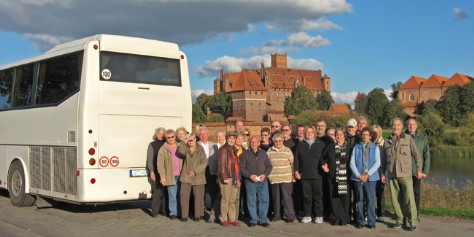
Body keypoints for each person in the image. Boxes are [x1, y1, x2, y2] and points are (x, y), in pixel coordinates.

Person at [384, 117, 422, 231]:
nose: (395, 127)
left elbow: (417, 156)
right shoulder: (387, 141)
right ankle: (399, 220)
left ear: (401, 127)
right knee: (395, 200)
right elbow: (383, 160)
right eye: (394, 125)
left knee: (409, 199)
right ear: (392, 127)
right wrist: (382, 173)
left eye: (398, 125)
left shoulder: (408, 139)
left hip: (405, 174)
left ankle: (412, 221)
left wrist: (419, 170)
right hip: (392, 174)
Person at [294, 125, 328, 224]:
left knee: (318, 197)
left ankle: (318, 215)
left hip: (318, 175)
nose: (309, 134)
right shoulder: (300, 145)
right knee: (306, 197)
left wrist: (325, 165)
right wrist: (296, 171)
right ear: (305, 133)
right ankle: (307, 215)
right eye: (307, 132)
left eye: (311, 132)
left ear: (314, 133)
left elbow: (324, 158)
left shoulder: (320, 144)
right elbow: (296, 159)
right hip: (304, 175)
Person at [350, 127, 381, 229]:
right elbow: (352, 163)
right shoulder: (356, 147)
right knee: (359, 200)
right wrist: (358, 175)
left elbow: (377, 163)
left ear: (370, 136)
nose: (364, 136)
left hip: (371, 178)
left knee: (370, 200)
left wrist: (367, 175)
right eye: (363, 134)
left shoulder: (375, 147)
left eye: (367, 134)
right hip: (358, 178)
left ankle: (371, 222)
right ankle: (360, 221)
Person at [240, 136, 273, 227]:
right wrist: (249, 176)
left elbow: (269, 166)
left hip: (262, 181)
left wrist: (265, 175)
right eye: (252, 142)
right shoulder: (245, 154)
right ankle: (253, 220)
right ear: (249, 143)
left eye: (256, 142)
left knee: (264, 200)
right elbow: (241, 168)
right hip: (250, 181)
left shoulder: (263, 153)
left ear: (259, 143)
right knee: (251, 201)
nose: (254, 144)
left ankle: (263, 220)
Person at [177, 134, 207, 222]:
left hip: (198, 176)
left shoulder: (200, 149)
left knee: (198, 197)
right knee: (184, 196)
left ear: (195, 140)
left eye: (192, 140)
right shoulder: (185, 148)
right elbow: (181, 153)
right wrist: (184, 142)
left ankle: (197, 215)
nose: (190, 142)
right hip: (186, 176)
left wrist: (195, 171)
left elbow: (204, 163)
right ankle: (184, 216)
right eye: (189, 141)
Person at [267, 133, 296, 223]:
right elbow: (266, 165)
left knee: (287, 198)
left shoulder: (288, 150)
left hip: (286, 178)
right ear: (273, 142)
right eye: (276, 141)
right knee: (276, 198)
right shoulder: (269, 151)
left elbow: (292, 164)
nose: (278, 143)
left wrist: (293, 175)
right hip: (274, 178)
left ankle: (290, 216)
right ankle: (276, 215)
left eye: (280, 141)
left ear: (283, 141)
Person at [405, 118, 430, 221]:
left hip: (417, 172)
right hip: (404, 171)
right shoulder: (402, 137)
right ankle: (405, 215)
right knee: (404, 193)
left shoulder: (422, 139)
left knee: (416, 193)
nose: (411, 126)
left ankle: (415, 215)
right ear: (406, 126)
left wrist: (425, 171)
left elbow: (427, 155)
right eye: (409, 124)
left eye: (413, 124)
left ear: (416, 126)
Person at [325, 129, 351, 226]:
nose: (339, 136)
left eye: (341, 134)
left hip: (345, 177)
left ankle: (345, 218)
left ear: (344, 136)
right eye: (337, 135)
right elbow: (322, 158)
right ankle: (336, 217)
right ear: (335, 136)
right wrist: (324, 165)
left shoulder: (349, 147)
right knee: (334, 198)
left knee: (345, 199)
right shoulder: (330, 147)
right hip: (332, 177)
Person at [157, 129, 183, 220]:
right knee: (172, 195)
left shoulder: (180, 146)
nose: (171, 139)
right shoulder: (163, 149)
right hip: (170, 176)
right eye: (168, 137)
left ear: (175, 137)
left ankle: (181, 212)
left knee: (181, 195)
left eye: (172, 136)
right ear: (166, 139)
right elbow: (160, 164)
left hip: (182, 175)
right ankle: (173, 213)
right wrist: (162, 177)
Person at [217, 132, 241, 226]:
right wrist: (224, 177)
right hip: (227, 177)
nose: (232, 140)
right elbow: (221, 165)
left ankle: (232, 219)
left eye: (233, 138)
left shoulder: (234, 149)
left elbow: (237, 165)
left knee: (233, 199)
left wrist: (238, 178)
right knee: (225, 199)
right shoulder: (223, 149)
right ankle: (223, 218)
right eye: (230, 138)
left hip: (235, 177)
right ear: (227, 139)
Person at [198, 127, 220, 223]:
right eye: (201, 134)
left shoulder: (214, 145)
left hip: (211, 172)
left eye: (205, 134)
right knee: (200, 193)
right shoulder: (196, 145)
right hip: (200, 172)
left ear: (208, 134)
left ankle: (213, 213)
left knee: (213, 193)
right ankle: (200, 213)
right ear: (199, 136)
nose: (203, 136)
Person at [146, 127, 166, 218]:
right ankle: (155, 211)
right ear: (156, 135)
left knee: (166, 192)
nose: (161, 136)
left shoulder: (167, 144)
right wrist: (152, 172)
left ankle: (165, 210)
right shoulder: (152, 145)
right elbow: (149, 160)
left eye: (162, 134)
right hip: (156, 172)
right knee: (157, 192)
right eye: (159, 134)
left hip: (166, 172)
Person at [372, 124, 386, 222]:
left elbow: (385, 159)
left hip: (380, 171)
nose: (374, 133)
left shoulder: (383, 143)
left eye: (376, 132)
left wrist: (384, 173)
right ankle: (371, 212)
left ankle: (381, 213)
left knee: (380, 193)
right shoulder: (369, 142)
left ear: (380, 132)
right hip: (371, 172)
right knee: (370, 193)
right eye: (373, 132)